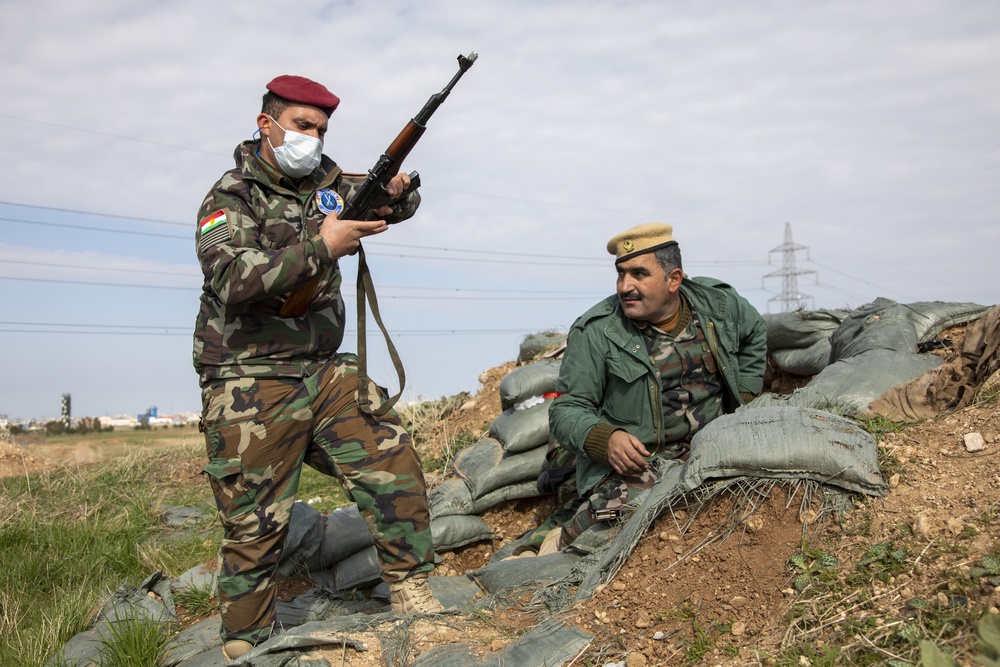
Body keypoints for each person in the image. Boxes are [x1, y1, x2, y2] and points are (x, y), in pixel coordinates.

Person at [192, 75, 443, 660]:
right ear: (267, 126)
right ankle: (247, 640)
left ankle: (412, 589)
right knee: (254, 525)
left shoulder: (327, 180)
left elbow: (392, 202)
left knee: (391, 455)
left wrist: (398, 191)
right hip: (249, 379)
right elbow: (231, 279)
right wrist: (321, 247)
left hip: (322, 368)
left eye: (321, 130)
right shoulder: (230, 197)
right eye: (303, 127)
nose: (312, 139)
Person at [542, 222, 768, 551]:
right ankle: (556, 541)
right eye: (621, 274)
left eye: (638, 274)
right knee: (612, 527)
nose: (625, 286)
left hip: (710, 443)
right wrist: (606, 439)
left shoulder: (717, 305)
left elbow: (755, 333)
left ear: (674, 279)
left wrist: (744, 396)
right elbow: (566, 410)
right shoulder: (596, 331)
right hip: (643, 461)